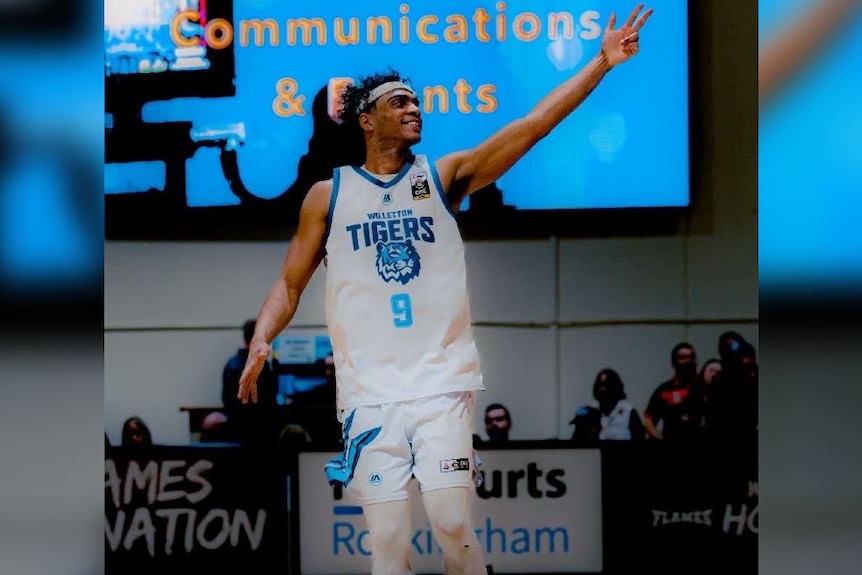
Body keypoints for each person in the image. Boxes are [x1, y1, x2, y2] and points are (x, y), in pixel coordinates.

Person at [237, 5, 652, 573]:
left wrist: (601, 64)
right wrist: (263, 337)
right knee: (385, 538)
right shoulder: (326, 196)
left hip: (441, 381)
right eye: (400, 101)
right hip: (368, 391)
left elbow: (530, 127)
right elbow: (289, 284)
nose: (415, 107)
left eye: (415, 99)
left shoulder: (442, 176)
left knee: (452, 522)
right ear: (366, 119)